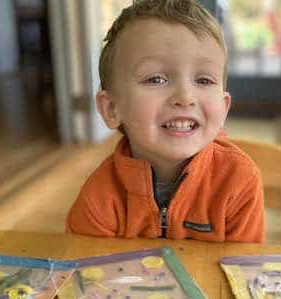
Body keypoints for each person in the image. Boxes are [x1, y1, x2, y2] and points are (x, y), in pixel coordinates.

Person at [66, 0, 265, 243]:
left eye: (203, 80)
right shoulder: (98, 197)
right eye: (156, 79)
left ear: (223, 109)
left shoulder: (239, 181)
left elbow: (241, 273)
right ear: (111, 108)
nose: (185, 97)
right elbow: (86, 273)